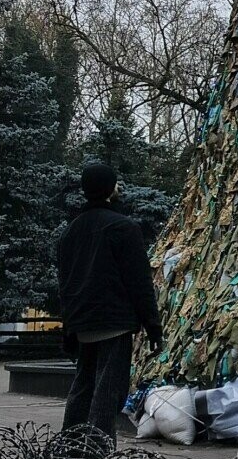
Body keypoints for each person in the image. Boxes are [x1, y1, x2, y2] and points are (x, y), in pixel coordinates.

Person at [56, 163, 163, 435]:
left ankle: (67, 451)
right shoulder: (123, 227)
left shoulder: (70, 232)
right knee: (108, 391)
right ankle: (97, 457)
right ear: (109, 188)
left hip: (83, 322)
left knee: (82, 387)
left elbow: (65, 284)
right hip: (114, 321)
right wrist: (152, 324)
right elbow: (139, 280)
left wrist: (69, 327)